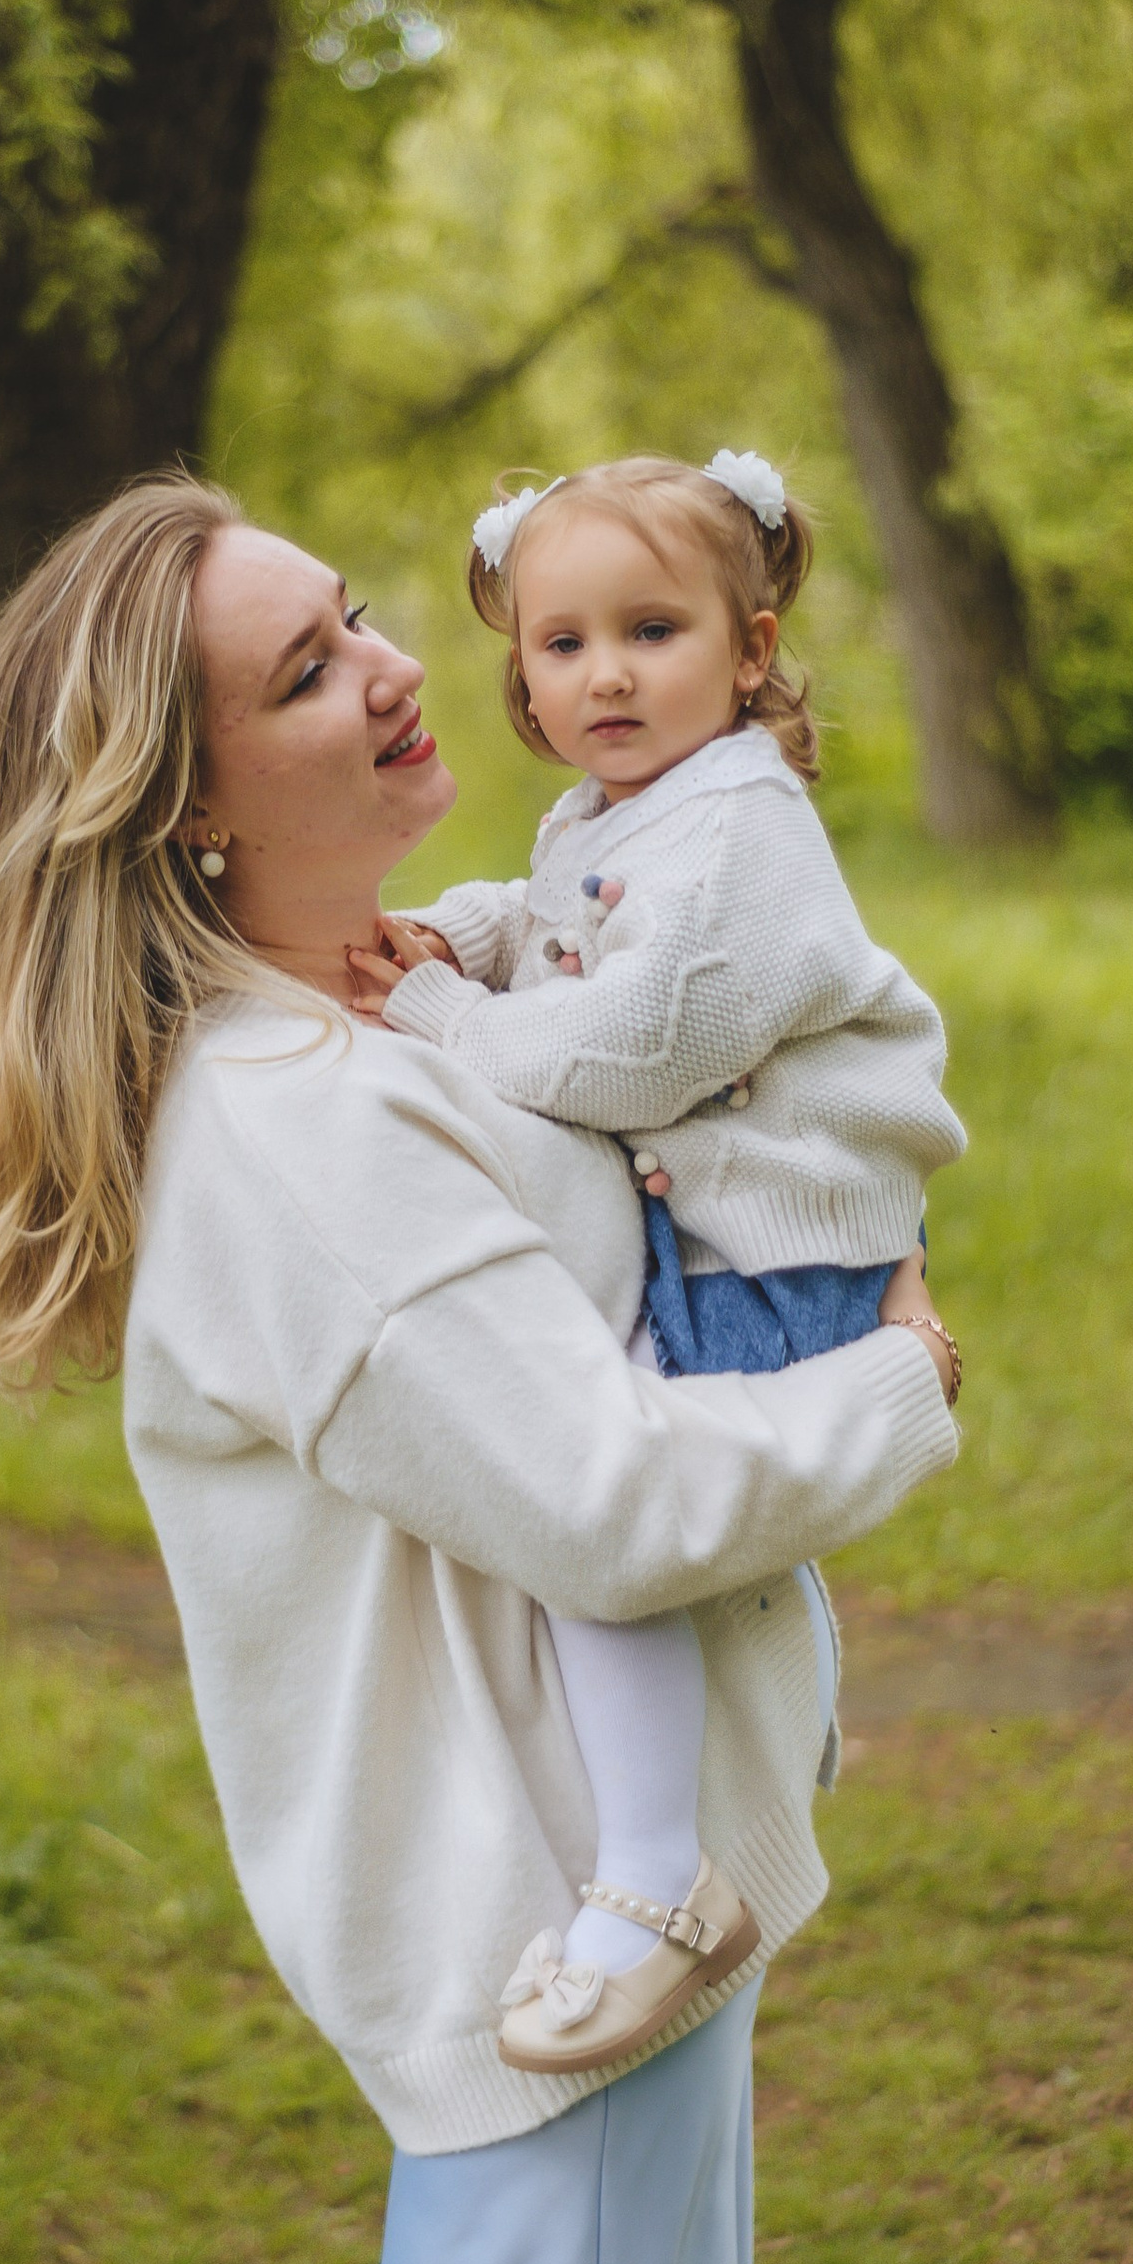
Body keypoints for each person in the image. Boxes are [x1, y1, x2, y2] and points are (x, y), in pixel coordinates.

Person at [0, 473, 962, 2264]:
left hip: (595, 1914)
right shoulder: (294, 1133)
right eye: (301, 672)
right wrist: (898, 1383)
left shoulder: (373, 1016)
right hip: (533, 1932)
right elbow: (604, 1499)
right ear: (181, 799)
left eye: (357, 616)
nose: (390, 667)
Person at [355, 452, 966, 2081]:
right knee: (622, 1487)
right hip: (736, 1220)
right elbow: (560, 910)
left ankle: (657, 1876)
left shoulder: (744, 828)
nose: (606, 675)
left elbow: (637, 1043)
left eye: (651, 630)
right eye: (564, 644)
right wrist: (467, 934)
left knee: (599, 1504)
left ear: (750, 651)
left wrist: (440, 1013)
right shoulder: (622, 809)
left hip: (781, 1240)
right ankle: (775, 1687)